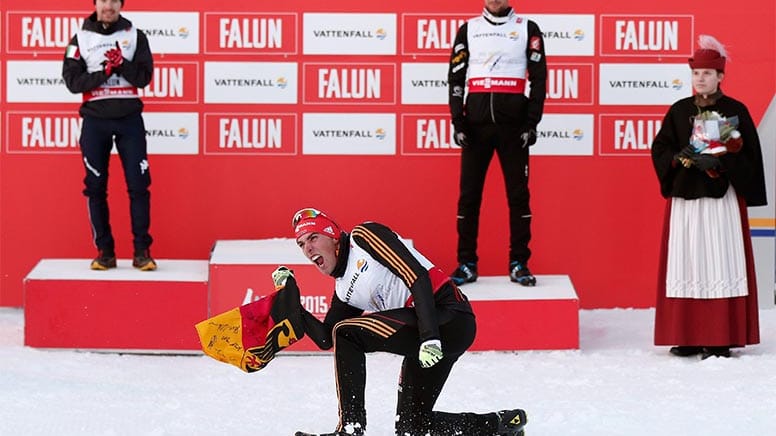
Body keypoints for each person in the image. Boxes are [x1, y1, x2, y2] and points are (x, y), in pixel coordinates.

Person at [283, 208, 528, 436]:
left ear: (334, 236)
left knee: (347, 331)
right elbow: (327, 339)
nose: (308, 249)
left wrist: (430, 336)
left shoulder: (363, 237)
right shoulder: (344, 288)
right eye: (301, 244)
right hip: (422, 332)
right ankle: (500, 424)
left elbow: (417, 276)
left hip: (449, 318)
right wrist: (291, 300)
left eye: (313, 237)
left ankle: (350, 428)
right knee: (412, 427)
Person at [650, 35, 767, 359]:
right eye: (696, 73)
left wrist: (721, 161)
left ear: (720, 77)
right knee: (686, 263)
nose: (700, 78)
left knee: (720, 262)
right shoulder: (679, 111)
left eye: (707, 73)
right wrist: (679, 157)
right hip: (686, 201)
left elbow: (749, 156)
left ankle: (719, 337)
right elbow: (661, 149)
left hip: (721, 202)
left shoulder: (734, 111)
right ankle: (685, 334)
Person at [447, 0, 547, 287]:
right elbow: (456, 77)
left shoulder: (528, 28)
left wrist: (531, 122)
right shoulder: (469, 30)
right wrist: (458, 121)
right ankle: (466, 263)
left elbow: (539, 79)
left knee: (518, 196)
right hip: (476, 128)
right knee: (469, 196)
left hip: (513, 128)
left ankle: (519, 262)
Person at [62, 0, 156, 271]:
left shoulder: (135, 36)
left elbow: (144, 77)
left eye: (114, 1)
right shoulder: (80, 37)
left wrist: (122, 65)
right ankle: (105, 252)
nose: (109, 6)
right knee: (95, 187)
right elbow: (72, 81)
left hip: (129, 120)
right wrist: (103, 73)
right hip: (94, 120)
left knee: (139, 186)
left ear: (121, 5)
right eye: (103, 0)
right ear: (95, 4)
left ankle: (142, 252)